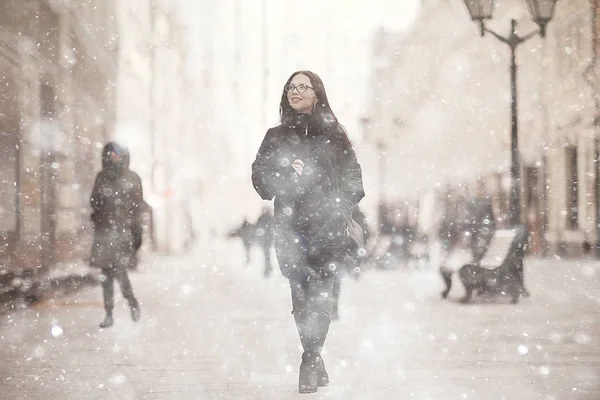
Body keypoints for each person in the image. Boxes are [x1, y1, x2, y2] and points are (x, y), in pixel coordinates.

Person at [252, 70, 364, 394]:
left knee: (322, 301)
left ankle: (308, 360)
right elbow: (260, 180)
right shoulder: (275, 136)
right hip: (290, 228)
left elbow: (353, 174)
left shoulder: (334, 133)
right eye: (291, 86)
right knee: (301, 300)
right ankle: (315, 358)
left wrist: (341, 205)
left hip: (327, 227)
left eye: (303, 86)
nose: (295, 91)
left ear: (317, 94)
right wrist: (283, 174)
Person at [90, 142, 143, 328]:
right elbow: (94, 201)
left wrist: (137, 233)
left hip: (122, 234)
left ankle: (131, 302)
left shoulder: (132, 178)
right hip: (104, 233)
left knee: (119, 272)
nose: (115, 158)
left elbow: (138, 208)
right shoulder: (101, 177)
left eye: (118, 155)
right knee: (106, 274)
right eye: (111, 155)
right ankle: (109, 313)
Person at [254, 207, 274, 277]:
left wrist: (258, 238)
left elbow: (257, 229)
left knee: (266, 254)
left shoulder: (261, 218)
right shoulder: (270, 218)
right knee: (267, 254)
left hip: (264, 239)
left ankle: (268, 268)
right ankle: (268, 268)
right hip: (268, 239)